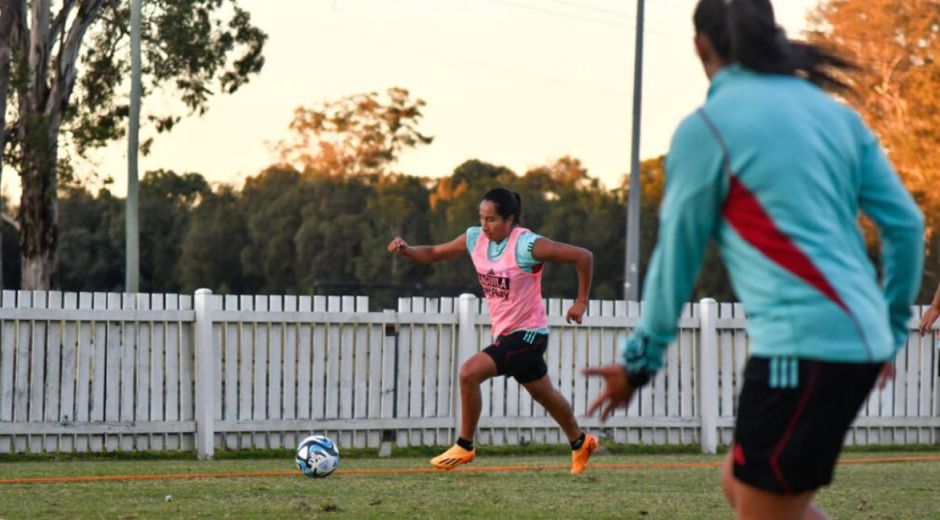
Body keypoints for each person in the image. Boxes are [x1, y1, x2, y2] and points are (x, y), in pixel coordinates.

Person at [584, 0, 924, 518]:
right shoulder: (838, 118)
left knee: (758, 505)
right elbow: (906, 227)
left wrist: (638, 364)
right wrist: (889, 329)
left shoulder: (708, 129)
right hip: (849, 344)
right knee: (737, 484)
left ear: (701, 47)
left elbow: (676, 261)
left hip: (800, 354)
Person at [388, 187, 599, 474]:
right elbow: (434, 253)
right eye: (482, 218)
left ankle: (464, 445)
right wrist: (407, 250)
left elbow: (583, 256)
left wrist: (581, 301)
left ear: (510, 219)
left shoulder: (527, 245)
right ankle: (580, 442)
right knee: (544, 394)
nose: (484, 225)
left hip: (528, 335)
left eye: (491, 220)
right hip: (508, 335)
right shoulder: (475, 238)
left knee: (468, 373)